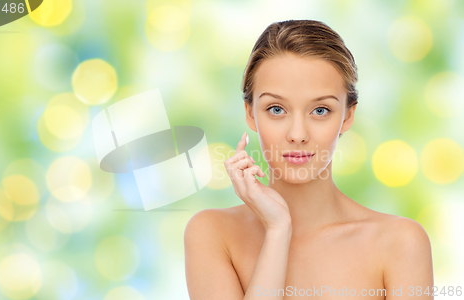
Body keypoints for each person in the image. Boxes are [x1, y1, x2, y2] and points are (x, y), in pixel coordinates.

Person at [184, 19, 433, 300]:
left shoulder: (400, 243)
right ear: (251, 113)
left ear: (348, 115)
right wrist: (278, 231)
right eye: (276, 109)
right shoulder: (213, 234)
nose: (298, 134)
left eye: (320, 110)